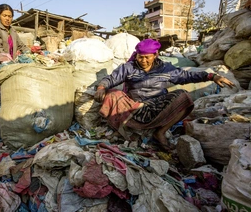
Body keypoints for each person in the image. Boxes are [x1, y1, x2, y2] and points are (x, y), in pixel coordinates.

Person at [94, 39, 235, 151]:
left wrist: (211, 76)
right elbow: (111, 78)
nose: (143, 61)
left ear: (155, 55)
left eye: (147, 57)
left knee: (184, 97)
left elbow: (187, 76)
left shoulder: (166, 68)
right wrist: (102, 87)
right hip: (134, 107)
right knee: (112, 94)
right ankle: (122, 129)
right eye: (140, 57)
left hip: (157, 106)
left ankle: (160, 132)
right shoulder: (129, 67)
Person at [0, 4, 29, 98]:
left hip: (6, 68)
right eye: (4, 16)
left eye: (10, 16)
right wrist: (7, 60)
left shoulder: (12, 31)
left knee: (4, 97)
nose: (7, 19)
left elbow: (21, 46)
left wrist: (32, 53)